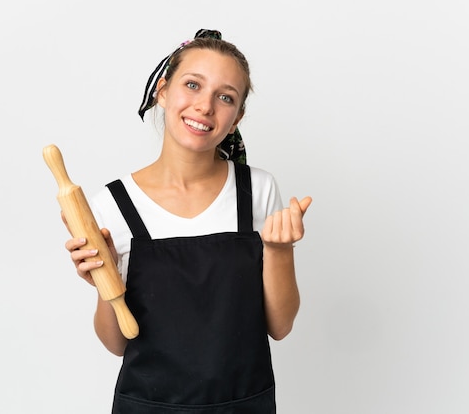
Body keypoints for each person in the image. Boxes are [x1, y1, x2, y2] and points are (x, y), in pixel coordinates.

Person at [63, 29, 312, 413]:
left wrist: (279, 250)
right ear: (162, 91)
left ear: (237, 117)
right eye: (192, 85)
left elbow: (279, 327)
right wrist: (104, 279)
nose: (205, 106)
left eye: (225, 96)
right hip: (147, 406)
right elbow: (116, 343)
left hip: (244, 404)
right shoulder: (113, 204)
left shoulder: (257, 191)